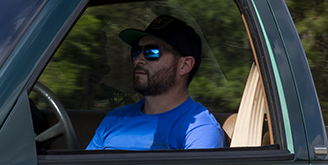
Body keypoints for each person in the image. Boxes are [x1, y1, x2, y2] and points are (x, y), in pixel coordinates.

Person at [85, 15, 228, 151]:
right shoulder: (114, 118)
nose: (138, 60)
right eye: (136, 51)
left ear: (184, 65)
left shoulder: (198, 129)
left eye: (151, 52)